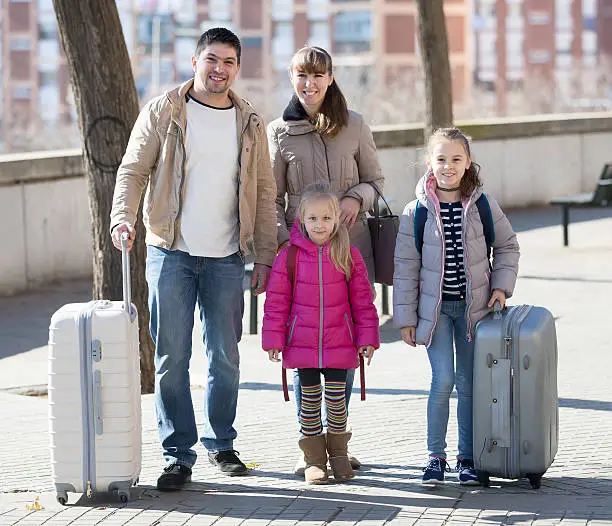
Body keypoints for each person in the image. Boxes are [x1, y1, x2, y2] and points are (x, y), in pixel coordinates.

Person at [109, 27, 277, 491]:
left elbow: (264, 192)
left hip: (225, 257)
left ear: (237, 68)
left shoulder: (250, 122)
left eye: (228, 62)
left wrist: (264, 255)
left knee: (224, 358)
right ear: (194, 60)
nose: (219, 69)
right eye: (211, 60)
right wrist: (122, 217)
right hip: (171, 253)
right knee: (171, 358)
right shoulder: (164, 111)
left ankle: (221, 442)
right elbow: (133, 169)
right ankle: (177, 455)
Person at [267, 45, 384, 474]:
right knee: (306, 359)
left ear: (331, 78)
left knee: (342, 351)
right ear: (291, 77)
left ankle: (339, 447)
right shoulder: (279, 131)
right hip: (300, 260)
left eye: (317, 76)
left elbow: (376, 180)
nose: (309, 84)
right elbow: (270, 196)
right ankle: (312, 452)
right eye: (301, 75)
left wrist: (356, 196)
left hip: (347, 252)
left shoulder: (354, 126)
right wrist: (283, 246)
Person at [393, 127, 520, 486]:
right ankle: (436, 456)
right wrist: (405, 318)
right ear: (429, 163)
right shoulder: (415, 211)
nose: (447, 166)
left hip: (473, 312)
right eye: (441, 159)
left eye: (456, 159)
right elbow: (405, 267)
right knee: (442, 380)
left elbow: (508, 246)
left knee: (468, 383)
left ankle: (467, 458)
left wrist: (501, 288)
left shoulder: (482, 204)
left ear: (467, 164)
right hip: (434, 316)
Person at [261, 184, 379, 485]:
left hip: (339, 341)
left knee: (337, 403)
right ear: (301, 218)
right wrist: (274, 340)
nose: (320, 225)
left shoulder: (348, 254)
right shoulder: (289, 257)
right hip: (302, 344)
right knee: (310, 402)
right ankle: (314, 459)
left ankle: (339, 454)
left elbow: (363, 302)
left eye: (326, 218)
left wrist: (367, 338)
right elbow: (276, 303)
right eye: (313, 218)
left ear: (337, 219)